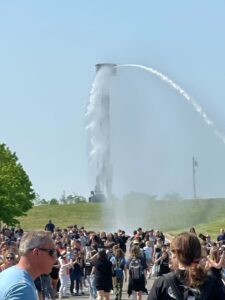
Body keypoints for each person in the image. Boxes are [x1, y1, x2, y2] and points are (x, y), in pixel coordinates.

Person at [148, 232, 225, 300]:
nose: (171, 256)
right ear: (199, 253)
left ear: (176, 255)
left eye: (172, 252)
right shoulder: (213, 283)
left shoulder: (162, 283)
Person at [0, 230, 57, 300]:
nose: (55, 259)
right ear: (36, 253)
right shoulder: (23, 289)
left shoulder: (6, 273)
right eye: (52, 252)